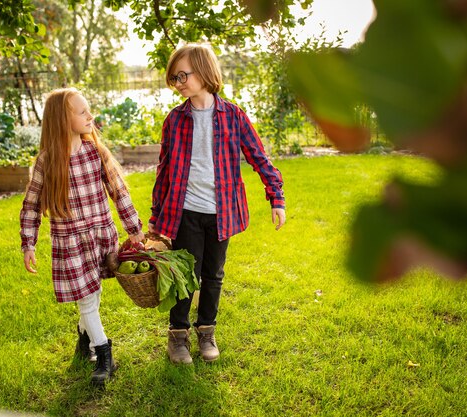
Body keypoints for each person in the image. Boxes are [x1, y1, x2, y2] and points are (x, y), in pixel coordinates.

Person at [149, 44, 286, 364]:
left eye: (183, 74)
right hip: (186, 212)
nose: (178, 81)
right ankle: (178, 336)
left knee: (213, 274)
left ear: (205, 72)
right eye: (174, 77)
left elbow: (259, 158)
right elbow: (164, 170)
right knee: (185, 273)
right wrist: (156, 216)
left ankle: (206, 331)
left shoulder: (234, 116)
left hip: (222, 212)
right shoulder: (175, 120)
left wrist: (276, 196)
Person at [20, 87, 145, 385]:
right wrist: (29, 243)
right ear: (63, 120)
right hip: (70, 241)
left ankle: (83, 340)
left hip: (100, 235)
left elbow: (119, 191)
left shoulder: (95, 152)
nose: (91, 116)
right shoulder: (46, 161)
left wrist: (134, 228)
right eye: (82, 112)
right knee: (86, 299)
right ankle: (104, 355)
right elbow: (32, 205)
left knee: (93, 294)